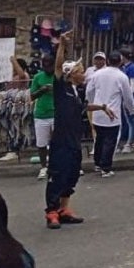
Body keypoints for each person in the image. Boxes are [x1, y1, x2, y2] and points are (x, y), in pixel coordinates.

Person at [44, 32, 105, 229]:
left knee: (71, 175)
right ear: (71, 74)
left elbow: (83, 108)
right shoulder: (62, 88)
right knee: (57, 175)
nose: (84, 73)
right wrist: (62, 45)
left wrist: (102, 107)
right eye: (80, 70)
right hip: (60, 141)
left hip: (74, 141)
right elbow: (58, 68)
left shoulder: (75, 93)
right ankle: (51, 211)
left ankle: (64, 209)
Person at [85, 51, 134, 177]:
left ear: (107, 61)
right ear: (120, 62)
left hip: (98, 111)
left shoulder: (97, 74)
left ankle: (97, 163)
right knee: (110, 141)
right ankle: (105, 167)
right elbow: (128, 96)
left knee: (99, 139)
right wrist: (132, 109)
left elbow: (89, 90)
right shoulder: (122, 77)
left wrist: (92, 103)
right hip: (113, 113)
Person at [29, 59, 55, 181]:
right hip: (41, 114)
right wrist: (42, 90)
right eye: (45, 67)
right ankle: (44, 167)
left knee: (57, 142)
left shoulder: (58, 76)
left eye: (50, 66)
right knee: (41, 143)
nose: (48, 69)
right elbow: (32, 96)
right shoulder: (38, 77)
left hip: (56, 113)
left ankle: (56, 165)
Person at [119, 50, 134, 154]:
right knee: (127, 120)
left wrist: (128, 96)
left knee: (131, 120)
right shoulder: (123, 67)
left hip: (130, 97)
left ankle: (131, 142)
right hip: (124, 96)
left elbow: (133, 85)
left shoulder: (133, 68)